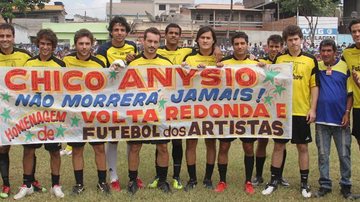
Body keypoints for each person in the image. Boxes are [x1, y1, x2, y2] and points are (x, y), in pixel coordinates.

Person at [261, 25, 319, 198]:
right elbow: (270, 80)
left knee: (302, 147)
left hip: (301, 111)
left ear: (301, 39)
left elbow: (314, 86)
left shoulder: (310, 60)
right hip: (282, 112)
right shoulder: (279, 59)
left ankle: (304, 183)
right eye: (290, 40)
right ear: (285, 42)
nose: (293, 43)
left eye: (296, 39)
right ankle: (273, 181)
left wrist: (313, 109)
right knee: (278, 146)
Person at [13, 29, 65, 200]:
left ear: (53, 46)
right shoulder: (28, 63)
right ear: (38, 44)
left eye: (48, 44)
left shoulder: (60, 65)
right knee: (28, 151)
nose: (45, 47)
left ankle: (55, 185)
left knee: (55, 152)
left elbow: (65, 91)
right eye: (42, 43)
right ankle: (27, 184)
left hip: (52, 117)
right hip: (32, 116)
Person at [126, 27, 172, 195]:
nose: (152, 45)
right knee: (135, 147)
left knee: (163, 147)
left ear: (159, 43)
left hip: (160, 112)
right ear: (143, 41)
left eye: (155, 42)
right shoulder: (133, 63)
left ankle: (162, 180)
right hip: (138, 112)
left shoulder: (167, 63)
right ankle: (133, 180)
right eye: (149, 41)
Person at [147, 23, 193, 190]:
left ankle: (176, 176)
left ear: (180, 36)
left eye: (177, 33)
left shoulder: (188, 52)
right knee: (161, 141)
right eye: (171, 33)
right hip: (160, 102)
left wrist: (217, 51)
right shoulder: (156, 51)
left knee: (177, 141)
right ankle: (159, 175)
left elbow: (206, 55)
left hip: (179, 102)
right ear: (165, 35)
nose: (174, 35)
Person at [63, 29, 110, 194]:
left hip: (94, 114)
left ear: (92, 44)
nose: (84, 47)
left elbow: (109, 85)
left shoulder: (99, 62)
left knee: (99, 149)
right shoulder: (66, 61)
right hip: (74, 114)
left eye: (87, 44)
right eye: (81, 43)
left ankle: (102, 183)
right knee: (77, 150)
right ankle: (79, 184)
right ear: (75, 44)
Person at [96, 16, 139, 192]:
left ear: (126, 32)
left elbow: (136, 70)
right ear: (111, 31)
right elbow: (99, 73)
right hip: (111, 99)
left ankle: (133, 175)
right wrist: (110, 69)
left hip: (129, 98)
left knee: (131, 137)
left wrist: (130, 61)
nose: (119, 33)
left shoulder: (132, 46)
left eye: (122, 30)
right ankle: (113, 177)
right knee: (113, 138)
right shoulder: (103, 48)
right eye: (116, 29)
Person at [215, 32, 259, 194]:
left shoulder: (255, 63)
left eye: (242, 43)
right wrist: (216, 68)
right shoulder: (224, 63)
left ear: (247, 44)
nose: (240, 46)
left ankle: (248, 181)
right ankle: (222, 181)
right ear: (232, 45)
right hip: (227, 112)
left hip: (248, 113)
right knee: (224, 146)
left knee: (248, 146)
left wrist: (263, 67)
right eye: (236, 44)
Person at [314, 39, 354, 199]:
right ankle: (325, 185)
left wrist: (347, 112)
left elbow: (350, 93)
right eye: (323, 50)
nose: (325, 54)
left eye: (329, 50)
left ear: (335, 52)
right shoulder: (316, 67)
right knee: (323, 155)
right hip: (322, 119)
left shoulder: (345, 67)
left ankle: (346, 185)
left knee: (344, 154)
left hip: (340, 120)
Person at [182, 26, 219, 191]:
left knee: (211, 143)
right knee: (191, 143)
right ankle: (192, 179)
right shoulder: (189, 58)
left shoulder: (219, 58)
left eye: (208, 38)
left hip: (213, 108)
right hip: (192, 107)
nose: (205, 40)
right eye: (202, 37)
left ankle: (208, 178)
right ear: (197, 40)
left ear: (213, 41)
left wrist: (217, 65)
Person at [0, 23, 32, 199]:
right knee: (3, 147)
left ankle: (30, 181)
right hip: (2, 111)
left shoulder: (25, 56)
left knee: (29, 146)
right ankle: (6, 184)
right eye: (1, 36)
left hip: (22, 109)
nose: (5, 39)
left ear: (13, 37)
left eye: (7, 36)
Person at [253, 35, 289, 187]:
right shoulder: (260, 62)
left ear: (281, 47)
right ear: (266, 46)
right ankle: (259, 175)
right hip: (264, 107)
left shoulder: (286, 63)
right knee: (262, 141)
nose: (274, 49)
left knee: (281, 142)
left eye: (277, 47)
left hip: (281, 107)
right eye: (271, 46)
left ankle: (278, 176)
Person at [343, 19, 360, 152]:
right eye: (354, 31)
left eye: (359, 31)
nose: (357, 34)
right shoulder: (347, 53)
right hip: (358, 106)